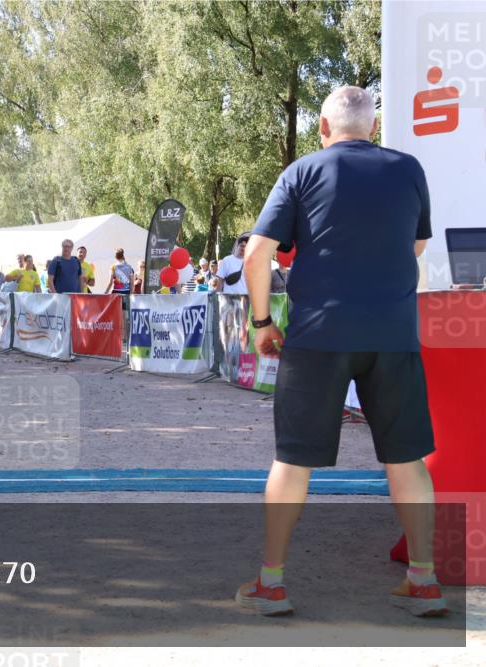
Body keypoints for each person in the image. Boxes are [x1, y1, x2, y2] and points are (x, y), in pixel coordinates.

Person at [236, 85, 446, 617]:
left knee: (292, 459)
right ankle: (423, 581)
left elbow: (257, 254)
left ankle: (272, 584)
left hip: (319, 335)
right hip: (392, 333)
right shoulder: (409, 169)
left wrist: (263, 322)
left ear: (324, 129)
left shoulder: (302, 172)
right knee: (407, 458)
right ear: (372, 128)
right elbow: (417, 246)